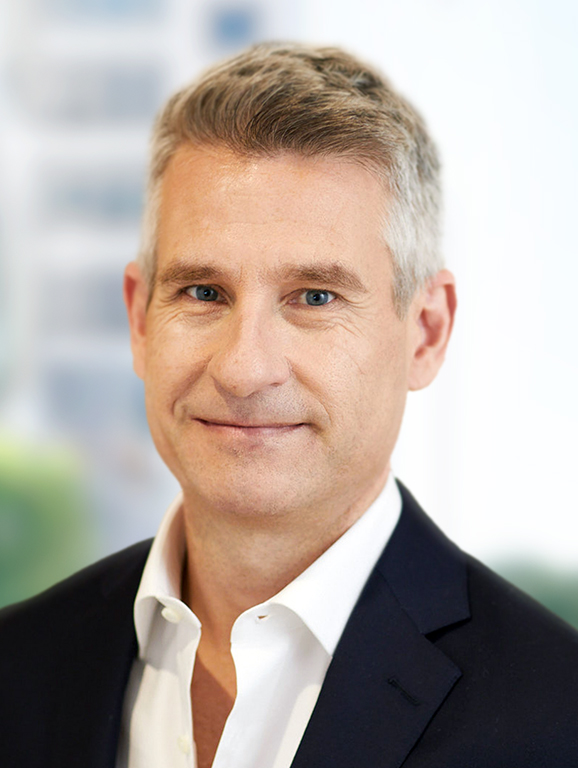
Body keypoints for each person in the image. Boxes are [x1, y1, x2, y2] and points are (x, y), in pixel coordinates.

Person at [1, 42, 577, 768]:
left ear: (426, 332)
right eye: (203, 292)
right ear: (139, 319)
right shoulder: (17, 665)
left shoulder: (558, 717)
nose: (244, 369)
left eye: (315, 297)